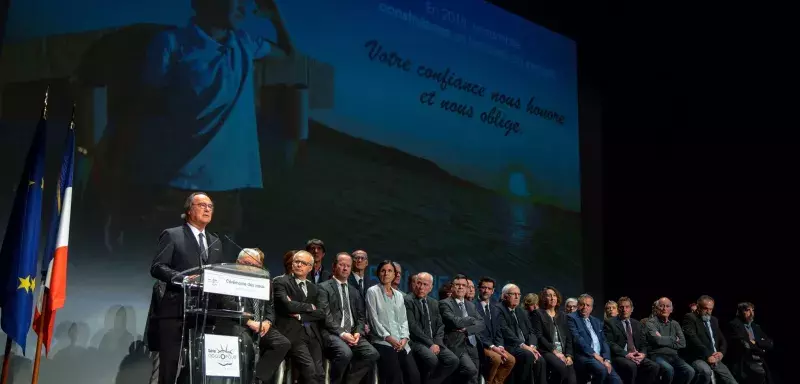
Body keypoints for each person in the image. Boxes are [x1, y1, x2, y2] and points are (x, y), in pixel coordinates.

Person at [150, 191, 227, 384]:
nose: (207, 209)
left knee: (196, 368)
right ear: (189, 210)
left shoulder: (216, 241)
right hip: (176, 311)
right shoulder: (173, 235)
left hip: (204, 314)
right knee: (169, 367)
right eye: (202, 205)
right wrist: (183, 279)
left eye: (210, 206)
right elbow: (158, 267)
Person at [214, 248, 291, 383]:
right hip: (237, 323)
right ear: (238, 263)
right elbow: (227, 303)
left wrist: (267, 322)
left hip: (261, 325)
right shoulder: (228, 279)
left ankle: (257, 378)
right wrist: (249, 322)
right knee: (246, 342)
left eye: (256, 266)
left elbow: (270, 307)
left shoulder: (264, 281)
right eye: (248, 264)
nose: (252, 269)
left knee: (282, 343)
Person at [316, 252, 379, 384]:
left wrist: (357, 332)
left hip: (352, 334)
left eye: (348, 266)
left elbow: (361, 317)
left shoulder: (354, 291)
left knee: (372, 353)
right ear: (334, 266)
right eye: (342, 265)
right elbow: (324, 316)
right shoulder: (323, 287)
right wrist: (343, 334)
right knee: (345, 353)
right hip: (332, 333)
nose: (345, 268)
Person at [272, 250, 326, 384]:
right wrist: (309, 307)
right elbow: (287, 306)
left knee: (320, 373)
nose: (299, 265)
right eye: (296, 262)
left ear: (310, 267)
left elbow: (321, 313)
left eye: (303, 263)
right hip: (292, 333)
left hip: (312, 334)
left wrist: (301, 316)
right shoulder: (281, 282)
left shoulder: (314, 288)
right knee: (310, 370)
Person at [366, 261, 420, 384]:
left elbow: (403, 320)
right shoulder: (372, 292)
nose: (386, 273)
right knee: (395, 377)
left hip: (401, 342)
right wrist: (389, 338)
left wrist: (405, 338)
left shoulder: (399, 295)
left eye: (390, 271)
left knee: (414, 376)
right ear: (378, 273)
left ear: (395, 274)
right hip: (383, 341)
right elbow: (374, 320)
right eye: (383, 270)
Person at [405, 273, 459, 384]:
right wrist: (430, 344)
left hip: (434, 342)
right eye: (419, 283)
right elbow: (413, 326)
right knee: (432, 359)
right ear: (414, 284)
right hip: (417, 342)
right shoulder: (408, 300)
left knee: (453, 360)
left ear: (431, 287)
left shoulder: (433, 302)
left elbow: (440, 325)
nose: (421, 287)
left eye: (425, 284)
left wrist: (437, 343)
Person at [566, 294, 622, 384]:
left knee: (617, 381)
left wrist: (606, 359)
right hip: (585, 356)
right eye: (582, 304)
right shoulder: (572, 318)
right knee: (602, 371)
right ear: (578, 305)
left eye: (588, 305)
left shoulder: (596, 321)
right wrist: (595, 355)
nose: (585, 307)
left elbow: (604, 341)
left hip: (601, 358)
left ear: (591, 308)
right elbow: (578, 339)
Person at [681, 295, 738, 384]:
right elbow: (693, 339)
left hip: (714, 357)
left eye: (711, 309)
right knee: (706, 372)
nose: (708, 312)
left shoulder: (714, 320)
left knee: (732, 382)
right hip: (698, 357)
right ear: (698, 307)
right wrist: (708, 355)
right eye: (705, 309)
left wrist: (721, 353)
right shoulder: (690, 318)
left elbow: (722, 339)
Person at [603, 297, 659, 384]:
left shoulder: (637, 323)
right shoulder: (610, 323)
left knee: (654, 366)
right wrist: (626, 354)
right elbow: (610, 343)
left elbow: (643, 343)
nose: (624, 309)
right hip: (620, 355)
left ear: (632, 309)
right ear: (618, 309)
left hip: (636, 355)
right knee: (631, 366)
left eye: (627, 307)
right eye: (621, 307)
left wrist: (643, 354)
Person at [439, 274, 482, 384]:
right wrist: (472, 319)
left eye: (463, 285)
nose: (461, 287)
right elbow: (455, 321)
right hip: (455, 344)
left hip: (472, 344)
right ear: (452, 287)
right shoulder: (445, 303)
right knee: (469, 370)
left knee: (474, 377)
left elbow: (482, 324)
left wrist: (467, 330)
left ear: (467, 288)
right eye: (457, 285)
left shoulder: (470, 305)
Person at [530, 286, 577, 384]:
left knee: (572, 380)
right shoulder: (538, 313)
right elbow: (539, 336)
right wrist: (555, 351)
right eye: (549, 296)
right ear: (543, 298)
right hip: (547, 350)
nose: (552, 298)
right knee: (562, 368)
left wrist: (568, 355)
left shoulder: (563, 315)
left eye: (554, 295)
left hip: (563, 352)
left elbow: (568, 337)